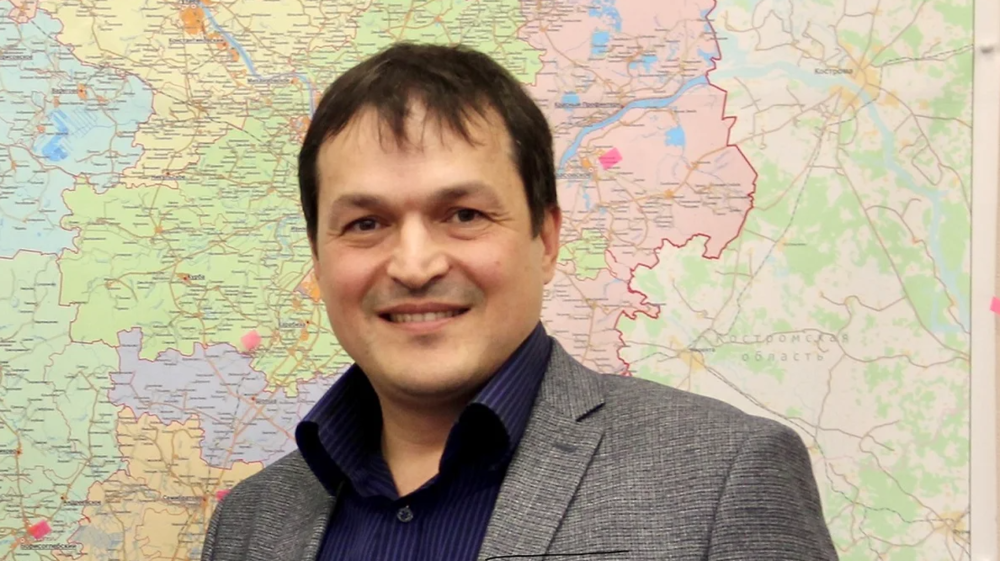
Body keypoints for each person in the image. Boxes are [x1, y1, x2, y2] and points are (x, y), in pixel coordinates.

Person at [200, 42, 839, 561]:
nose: (415, 266)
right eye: (366, 224)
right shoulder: (251, 525)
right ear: (319, 258)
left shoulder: (723, 476)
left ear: (547, 239)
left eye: (464, 214)